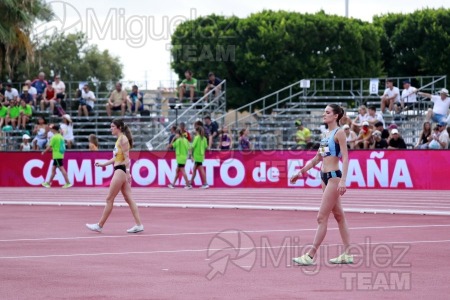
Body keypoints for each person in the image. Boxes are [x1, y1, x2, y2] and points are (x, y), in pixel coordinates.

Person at [291, 104, 351, 265]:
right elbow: (318, 159)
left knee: (321, 217)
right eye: (324, 112)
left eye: (327, 112)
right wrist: (300, 172)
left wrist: (343, 180)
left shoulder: (339, 133)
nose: (324, 115)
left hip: (333, 178)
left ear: (336, 116)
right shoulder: (326, 135)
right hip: (323, 177)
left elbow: (345, 158)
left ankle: (310, 255)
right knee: (339, 216)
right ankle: (348, 254)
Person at [86, 119, 144, 233]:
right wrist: (104, 164)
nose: (110, 129)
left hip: (121, 171)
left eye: (112, 126)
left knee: (109, 199)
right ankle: (139, 225)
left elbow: (127, 158)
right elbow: (117, 158)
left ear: (119, 128)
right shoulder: (119, 140)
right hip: (120, 170)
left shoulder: (123, 139)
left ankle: (100, 225)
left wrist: (128, 173)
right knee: (128, 198)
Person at [41, 124, 72, 188]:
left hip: (57, 155)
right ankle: (48, 183)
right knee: (53, 170)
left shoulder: (54, 137)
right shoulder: (60, 136)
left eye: (51, 129)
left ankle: (68, 182)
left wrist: (44, 152)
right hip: (59, 155)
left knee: (61, 169)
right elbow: (59, 147)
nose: (50, 130)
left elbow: (49, 147)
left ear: (54, 129)